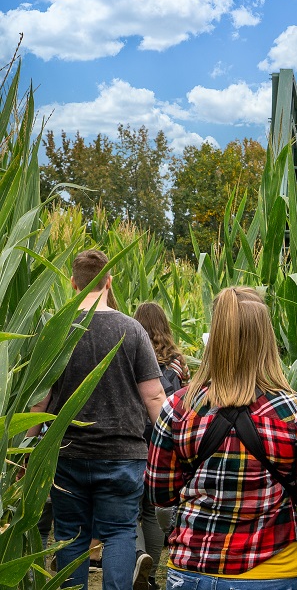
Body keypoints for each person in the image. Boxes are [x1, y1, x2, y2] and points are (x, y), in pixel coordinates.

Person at [145, 286, 297, 590]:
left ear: (216, 340)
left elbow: (159, 494)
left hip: (192, 572)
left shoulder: (177, 408)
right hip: (272, 572)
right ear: (266, 340)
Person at [28, 249, 166, 590]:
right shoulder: (132, 329)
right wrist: (172, 445)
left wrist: (28, 448)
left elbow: (39, 401)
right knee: (119, 532)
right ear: (109, 280)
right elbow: (154, 397)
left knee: (70, 535)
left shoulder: (57, 332)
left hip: (67, 454)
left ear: (73, 283)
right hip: (123, 455)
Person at [134, 302, 190, 590]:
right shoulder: (177, 362)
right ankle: (152, 576)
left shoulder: (130, 352)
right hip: (163, 441)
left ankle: (138, 558)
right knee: (151, 511)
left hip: (132, 439)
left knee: (126, 509)